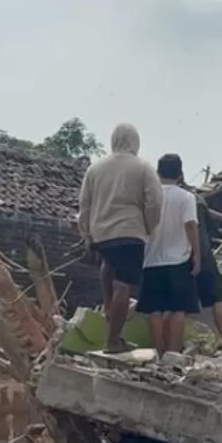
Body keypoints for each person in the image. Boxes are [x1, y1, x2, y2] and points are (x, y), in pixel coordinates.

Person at [78, 123, 162, 353]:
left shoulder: (95, 169)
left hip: (101, 235)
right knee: (124, 285)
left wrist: (86, 233)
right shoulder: (143, 168)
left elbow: (84, 205)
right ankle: (113, 341)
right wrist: (148, 227)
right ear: (136, 141)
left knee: (109, 265)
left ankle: (107, 305)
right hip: (130, 233)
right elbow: (154, 202)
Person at [136, 154, 201, 354]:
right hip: (179, 260)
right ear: (180, 173)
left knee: (155, 310)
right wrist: (197, 255)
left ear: (158, 172)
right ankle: (173, 353)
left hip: (151, 259)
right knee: (179, 309)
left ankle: (157, 350)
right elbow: (190, 225)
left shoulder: (148, 197)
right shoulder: (186, 197)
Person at [182, 180, 222, 351]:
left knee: (178, 301)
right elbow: (212, 228)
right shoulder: (197, 200)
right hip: (202, 254)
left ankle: (173, 341)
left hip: (177, 255)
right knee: (219, 296)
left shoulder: (166, 198)